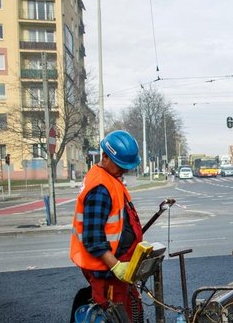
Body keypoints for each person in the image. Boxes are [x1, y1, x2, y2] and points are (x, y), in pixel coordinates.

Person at [69, 130, 143, 322]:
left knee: (129, 313)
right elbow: (93, 238)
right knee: (116, 316)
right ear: (105, 156)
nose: (124, 171)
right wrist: (117, 266)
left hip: (115, 272)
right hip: (107, 274)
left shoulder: (110, 178)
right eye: (121, 166)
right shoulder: (100, 188)